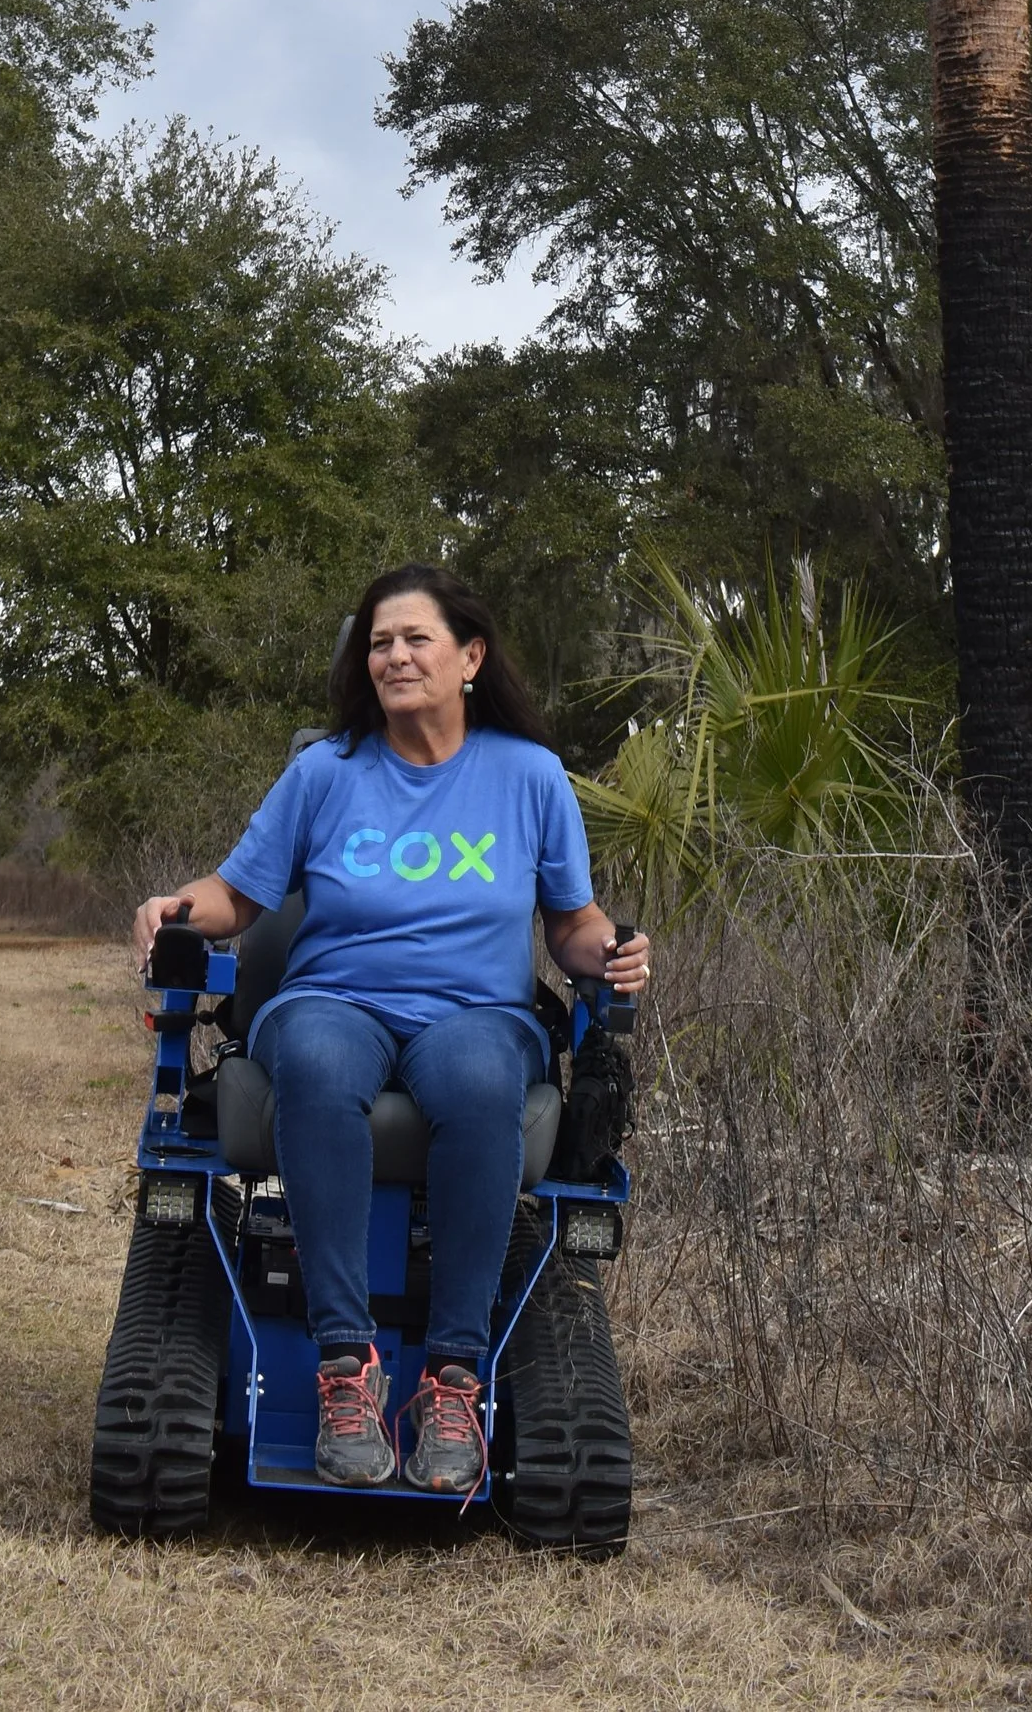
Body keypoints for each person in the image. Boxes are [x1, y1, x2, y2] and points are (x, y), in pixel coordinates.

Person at [132, 562, 651, 1495]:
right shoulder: (323, 773)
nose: (395, 656)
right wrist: (177, 907)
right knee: (321, 1061)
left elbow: (571, 926)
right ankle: (346, 1369)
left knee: (485, 1083)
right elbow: (239, 894)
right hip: (333, 1000)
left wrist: (612, 950)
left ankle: (453, 1377)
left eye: (416, 639)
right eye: (379, 642)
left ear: (470, 658)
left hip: (477, 1014)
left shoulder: (530, 777)